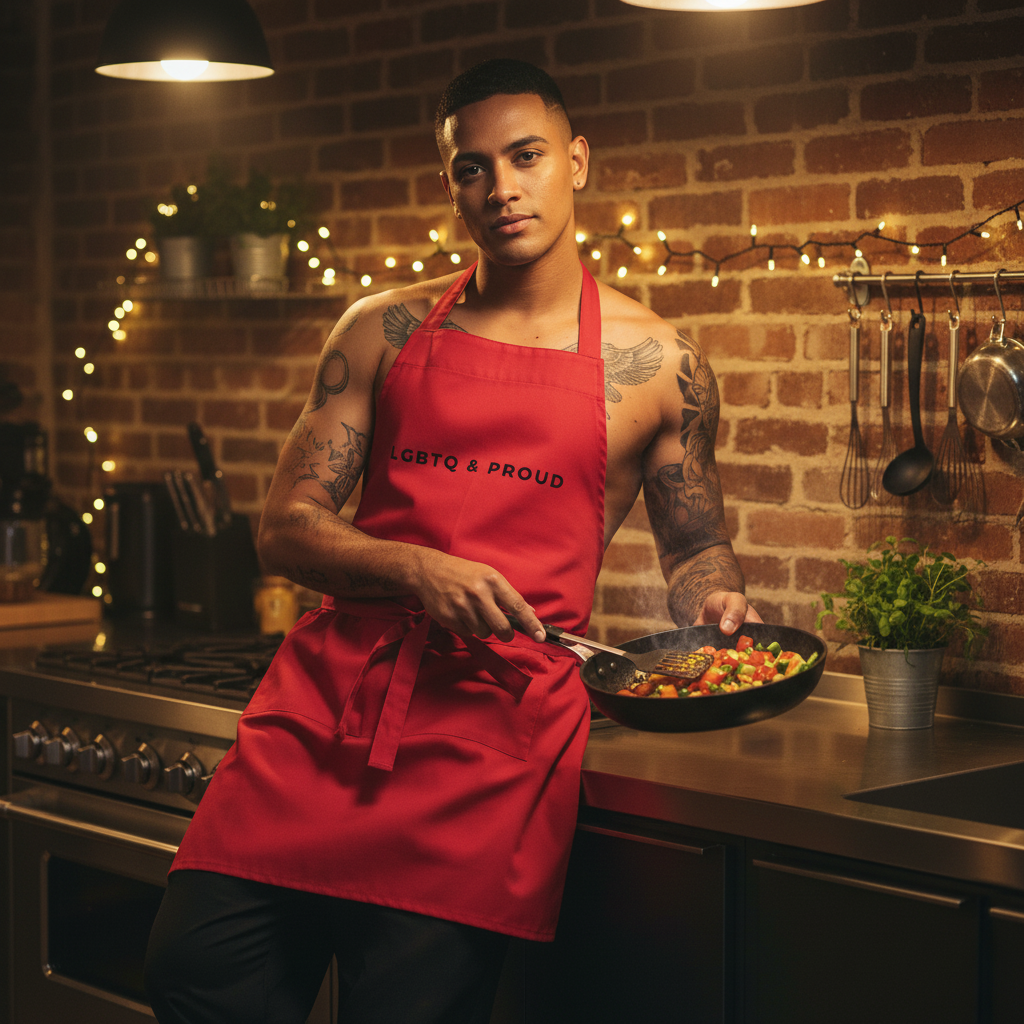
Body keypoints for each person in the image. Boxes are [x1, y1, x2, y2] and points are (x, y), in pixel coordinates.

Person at [144, 58, 760, 1024]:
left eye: (527, 156)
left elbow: (695, 550)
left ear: (578, 160)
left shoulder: (659, 366)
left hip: (490, 752)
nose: (502, 188)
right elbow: (285, 528)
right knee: (195, 974)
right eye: (474, 168)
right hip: (323, 716)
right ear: (452, 184)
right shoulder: (381, 330)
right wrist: (416, 570)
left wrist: (717, 604)